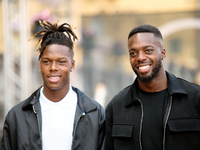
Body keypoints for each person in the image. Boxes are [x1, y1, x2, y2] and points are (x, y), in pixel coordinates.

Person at [0, 20, 105, 150]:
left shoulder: (95, 113)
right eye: (46, 61)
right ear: (39, 64)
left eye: (61, 62)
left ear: (72, 65)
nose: (53, 68)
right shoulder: (17, 116)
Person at [105, 24, 200, 150]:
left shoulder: (195, 98)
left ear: (163, 53)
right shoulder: (117, 106)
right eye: (133, 53)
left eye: (148, 50)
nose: (140, 57)